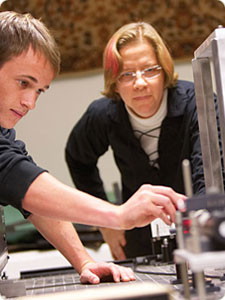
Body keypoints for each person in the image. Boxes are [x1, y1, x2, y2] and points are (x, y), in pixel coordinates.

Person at [0, 12, 186, 284]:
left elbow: (28, 193)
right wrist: (118, 216)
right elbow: (18, 177)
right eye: (24, 83)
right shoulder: (103, 115)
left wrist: (85, 260)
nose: (31, 102)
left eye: (40, 90)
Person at [65, 21, 206, 260]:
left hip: (198, 230)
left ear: (164, 71)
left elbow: (210, 170)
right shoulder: (102, 115)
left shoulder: (197, 104)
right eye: (126, 74)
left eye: (150, 70)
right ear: (115, 83)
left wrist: (202, 224)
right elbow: (78, 158)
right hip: (138, 239)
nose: (139, 83)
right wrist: (106, 220)